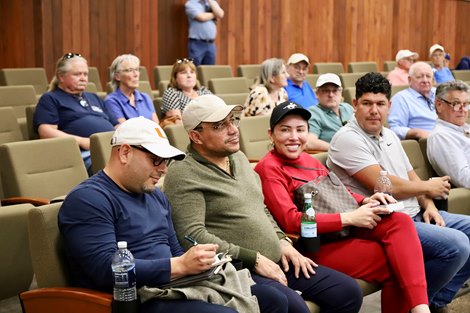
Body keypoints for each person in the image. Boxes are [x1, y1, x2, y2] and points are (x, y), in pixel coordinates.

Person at [58, 116, 290, 313]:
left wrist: (200, 263)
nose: (164, 169)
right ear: (125, 152)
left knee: (275, 299)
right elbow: (104, 269)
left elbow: (175, 251)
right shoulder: (89, 199)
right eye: (156, 160)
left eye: (166, 161)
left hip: (175, 285)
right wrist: (179, 266)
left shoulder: (155, 196)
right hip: (136, 298)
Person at [164, 94, 364, 313]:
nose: (233, 130)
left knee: (347, 292)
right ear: (196, 136)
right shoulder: (184, 172)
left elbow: (261, 208)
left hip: (278, 258)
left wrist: (282, 241)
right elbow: (192, 236)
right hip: (237, 269)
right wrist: (254, 259)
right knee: (295, 308)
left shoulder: (238, 158)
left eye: (233, 120)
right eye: (220, 125)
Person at [254, 101, 430, 313]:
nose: (294, 137)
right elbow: (290, 220)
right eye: (285, 130)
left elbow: (338, 192)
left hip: (341, 230)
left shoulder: (310, 160)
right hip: (312, 245)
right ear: (271, 135)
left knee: (399, 220)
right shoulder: (269, 168)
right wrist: (350, 218)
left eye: (300, 130)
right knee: (393, 265)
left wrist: (365, 201)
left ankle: (421, 309)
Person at [327, 72, 470, 313]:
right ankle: (418, 302)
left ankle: (435, 299)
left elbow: (410, 176)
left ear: (389, 106)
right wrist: (428, 187)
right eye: (367, 103)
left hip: (414, 214)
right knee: (457, 245)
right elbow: (387, 186)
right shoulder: (347, 139)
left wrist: (430, 205)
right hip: (384, 223)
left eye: (380, 104)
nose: (374, 110)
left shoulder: (389, 134)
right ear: (355, 105)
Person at [33, 53, 118, 176]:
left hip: (111, 148)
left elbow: (116, 125)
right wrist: (83, 142)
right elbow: (46, 132)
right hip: (82, 154)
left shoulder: (93, 97)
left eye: (85, 74)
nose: (83, 78)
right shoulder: (51, 98)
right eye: (77, 74)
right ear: (61, 77)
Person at [427, 80, 470, 188]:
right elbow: (465, 179)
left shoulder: (465, 127)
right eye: (456, 104)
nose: (463, 110)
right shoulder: (441, 136)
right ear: (439, 105)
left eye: (466, 104)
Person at [388, 61, 437, 140]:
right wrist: (417, 133)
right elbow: (394, 129)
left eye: (428, 76)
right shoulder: (401, 98)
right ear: (409, 80)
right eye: (419, 77)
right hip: (425, 143)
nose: (425, 80)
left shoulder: (439, 93)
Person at [105, 54, 159, 124]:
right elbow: (124, 129)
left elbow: (156, 126)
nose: (136, 74)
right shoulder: (112, 101)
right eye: (130, 70)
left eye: (137, 69)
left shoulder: (145, 98)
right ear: (117, 76)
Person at [307, 73, 353, 150]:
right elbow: (310, 142)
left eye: (335, 90)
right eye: (326, 91)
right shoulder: (313, 113)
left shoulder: (348, 108)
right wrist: (338, 149)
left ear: (340, 92)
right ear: (317, 94)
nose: (331, 95)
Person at [160, 58, 212, 126]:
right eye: (184, 72)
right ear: (175, 77)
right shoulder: (172, 93)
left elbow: (218, 111)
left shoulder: (204, 91)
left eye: (192, 72)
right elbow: (177, 124)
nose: (189, 75)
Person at [185, 0, 224, 66]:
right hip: (197, 43)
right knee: (194, 68)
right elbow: (201, 17)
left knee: (209, 71)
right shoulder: (190, 4)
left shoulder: (212, 2)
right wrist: (215, 14)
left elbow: (221, 14)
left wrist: (210, 1)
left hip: (211, 44)